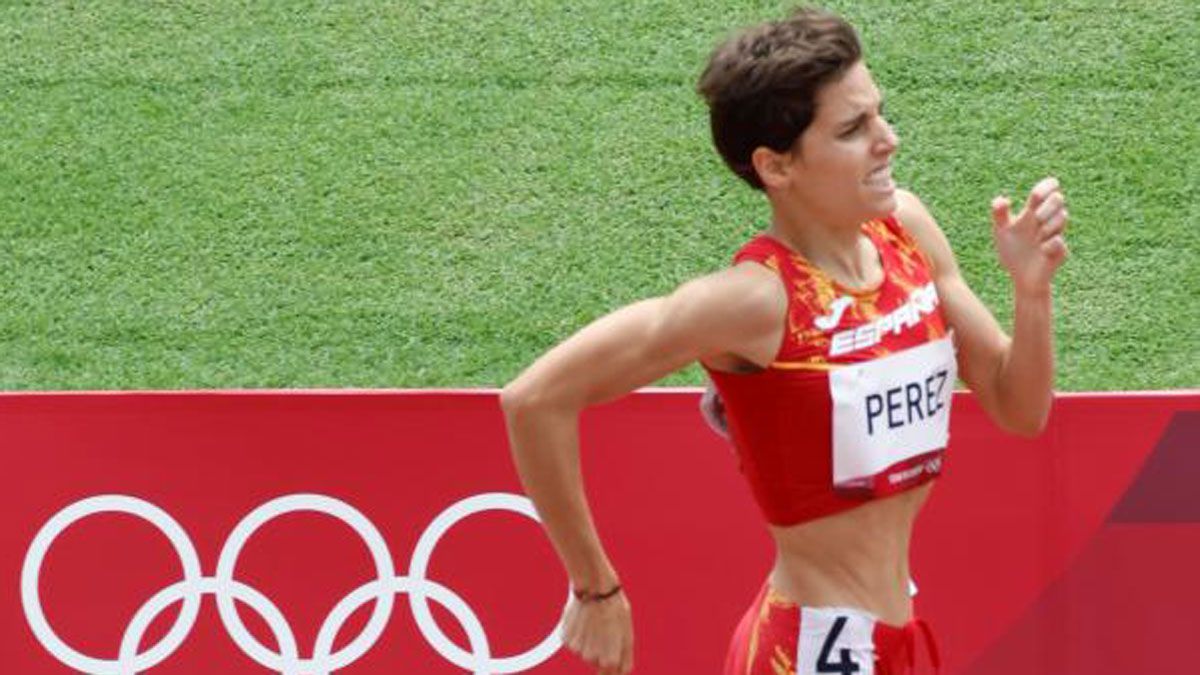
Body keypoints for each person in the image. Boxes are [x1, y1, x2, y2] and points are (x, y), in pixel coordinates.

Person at [500, 6, 1067, 675]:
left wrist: (1032, 293)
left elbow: (1018, 406)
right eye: (854, 129)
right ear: (776, 165)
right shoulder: (754, 300)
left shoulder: (905, 230)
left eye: (879, 113)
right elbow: (534, 398)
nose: (888, 139)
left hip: (897, 633)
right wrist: (596, 587)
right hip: (811, 651)